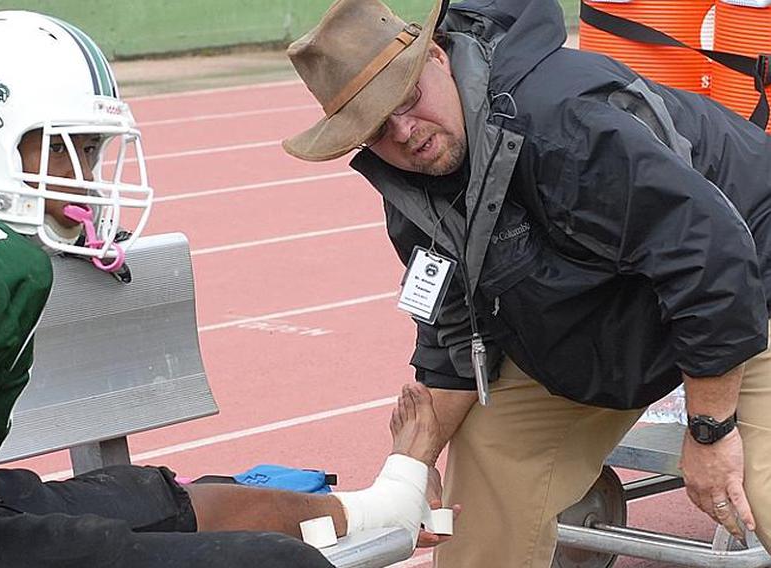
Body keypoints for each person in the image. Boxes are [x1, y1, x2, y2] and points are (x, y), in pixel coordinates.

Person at [0, 11, 453, 568]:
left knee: (162, 497)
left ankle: (383, 507)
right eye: (66, 150)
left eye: (90, 151)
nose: (86, 181)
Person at [282, 0, 771, 566]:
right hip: (620, 312)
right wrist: (410, 469)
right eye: (378, 130)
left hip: (747, 280)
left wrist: (710, 431)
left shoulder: (563, 125)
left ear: (437, 58)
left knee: (755, 487)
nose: (407, 134)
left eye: (407, 100)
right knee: (487, 474)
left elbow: (711, 259)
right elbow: (453, 330)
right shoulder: (413, 184)